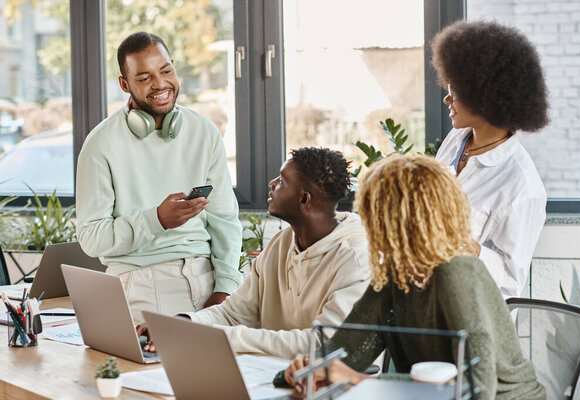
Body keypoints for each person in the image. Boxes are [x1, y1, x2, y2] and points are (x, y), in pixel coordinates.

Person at [284, 154, 546, 400]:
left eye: (377, 214)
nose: (370, 223)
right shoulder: (395, 277)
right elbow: (345, 351)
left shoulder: (458, 272)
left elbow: (477, 387)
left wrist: (357, 380)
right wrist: (304, 369)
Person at [137, 147, 371, 359]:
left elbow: (324, 344)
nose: (271, 183)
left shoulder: (355, 257)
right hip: (272, 378)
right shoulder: (280, 244)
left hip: (330, 388)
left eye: (282, 180)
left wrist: (220, 337)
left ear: (303, 199)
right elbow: (233, 314)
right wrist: (183, 323)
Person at [76, 32, 242, 322]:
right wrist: (157, 221)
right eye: (144, 78)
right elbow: (91, 238)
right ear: (124, 85)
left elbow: (225, 220)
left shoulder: (204, 131)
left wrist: (225, 286)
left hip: (207, 280)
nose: (160, 84)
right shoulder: (99, 145)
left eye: (166, 71)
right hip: (138, 285)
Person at [432, 21, 549, 298]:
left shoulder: (522, 187)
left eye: (456, 91)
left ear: (486, 97)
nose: (447, 99)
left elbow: (511, 284)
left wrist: (469, 248)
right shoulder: (456, 141)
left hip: (473, 324)